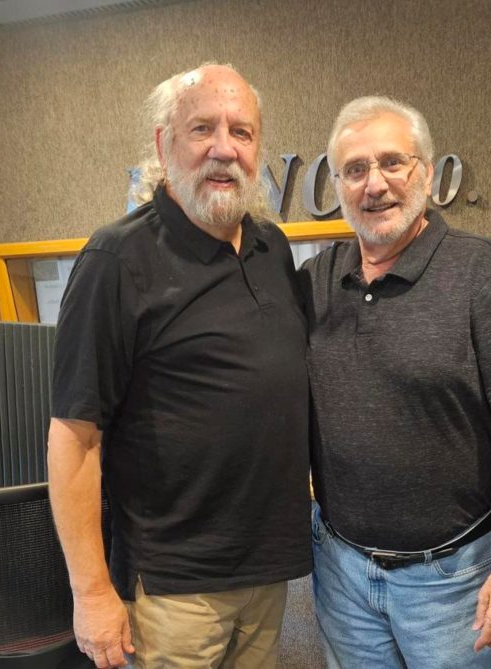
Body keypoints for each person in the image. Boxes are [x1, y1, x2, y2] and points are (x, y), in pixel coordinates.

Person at [47, 64, 312, 669]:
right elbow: (74, 435)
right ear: (164, 145)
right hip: (172, 589)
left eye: (241, 132)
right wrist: (91, 592)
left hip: (268, 576)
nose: (224, 148)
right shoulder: (116, 259)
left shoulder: (271, 248)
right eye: (202, 129)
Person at [299, 96, 491, 669]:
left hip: (454, 579)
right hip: (341, 571)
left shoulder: (483, 272)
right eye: (355, 169)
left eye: (392, 162)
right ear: (338, 187)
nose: (375, 184)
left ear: (426, 172)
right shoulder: (314, 281)